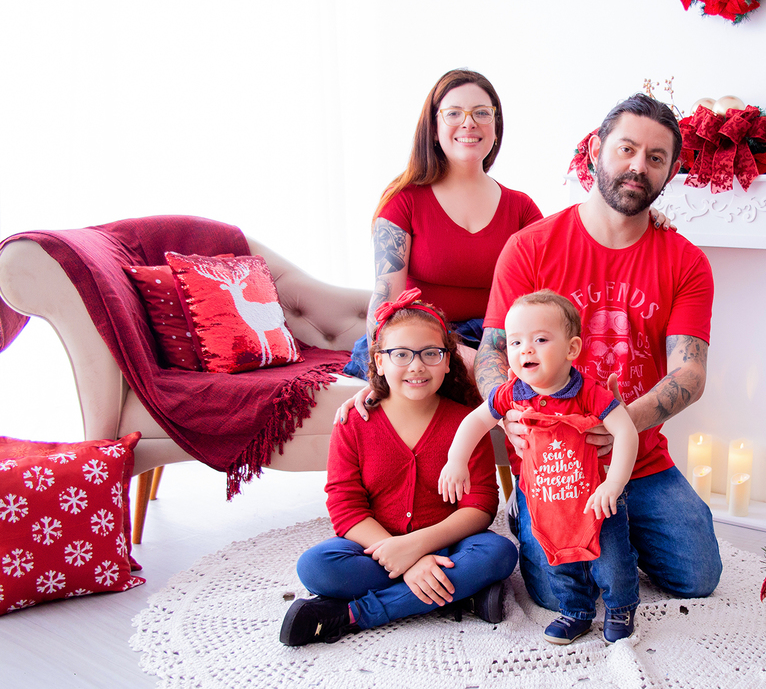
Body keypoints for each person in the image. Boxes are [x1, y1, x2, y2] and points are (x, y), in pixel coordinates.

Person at [474, 94, 722, 616]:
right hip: (553, 462)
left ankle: (619, 522)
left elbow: (690, 372)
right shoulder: (530, 248)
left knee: (698, 578)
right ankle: (537, 513)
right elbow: (493, 353)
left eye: (655, 157)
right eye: (626, 148)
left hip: (641, 460)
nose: (638, 165)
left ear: (670, 171)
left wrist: (619, 426)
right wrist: (510, 414)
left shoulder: (687, 262)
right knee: (559, 596)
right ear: (594, 150)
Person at [281, 290, 517, 646]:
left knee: (499, 553)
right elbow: (345, 506)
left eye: (431, 354)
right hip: (380, 549)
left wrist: (417, 547)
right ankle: (465, 594)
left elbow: (481, 506)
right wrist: (403, 557)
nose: (417, 365)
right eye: (401, 354)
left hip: (450, 544)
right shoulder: (353, 423)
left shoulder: (467, 424)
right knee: (316, 566)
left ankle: (351, 614)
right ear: (378, 362)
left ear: (448, 361)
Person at [439, 290, 640, 645]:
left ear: (572, 349)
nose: (525, 350)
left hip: (594, 498)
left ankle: (621, 605)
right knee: (557, 560)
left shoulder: (588, 392)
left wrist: (615, 484)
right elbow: (475, 421)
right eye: (515, 342)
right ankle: (575, 611)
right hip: (544, 501)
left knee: (611, 559)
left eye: (540, 339)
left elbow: (626, 431)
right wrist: (457, 460)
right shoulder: (511, 393)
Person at [341, 68, 543, 382]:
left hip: (498, 340)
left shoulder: (522, 208)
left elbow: (546, 293)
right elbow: (386, 299)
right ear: (434, 128)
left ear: (495, 126)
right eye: (453, 113)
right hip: (421, 340)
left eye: (481, 113)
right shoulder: (403, 200)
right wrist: (380, 374)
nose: (469, 122)